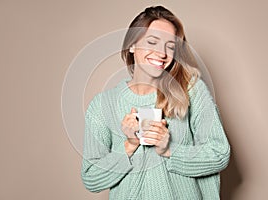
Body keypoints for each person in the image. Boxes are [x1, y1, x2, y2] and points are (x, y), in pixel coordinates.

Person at [81, 5, 230, 200]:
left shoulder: (191, 91)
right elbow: (91, 177)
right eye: (152, 42)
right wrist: (129, 145)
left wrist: (168, 150)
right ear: (132, 45)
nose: (162, 53)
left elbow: (220, 153)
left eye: (170, 46)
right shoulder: (103, 104)